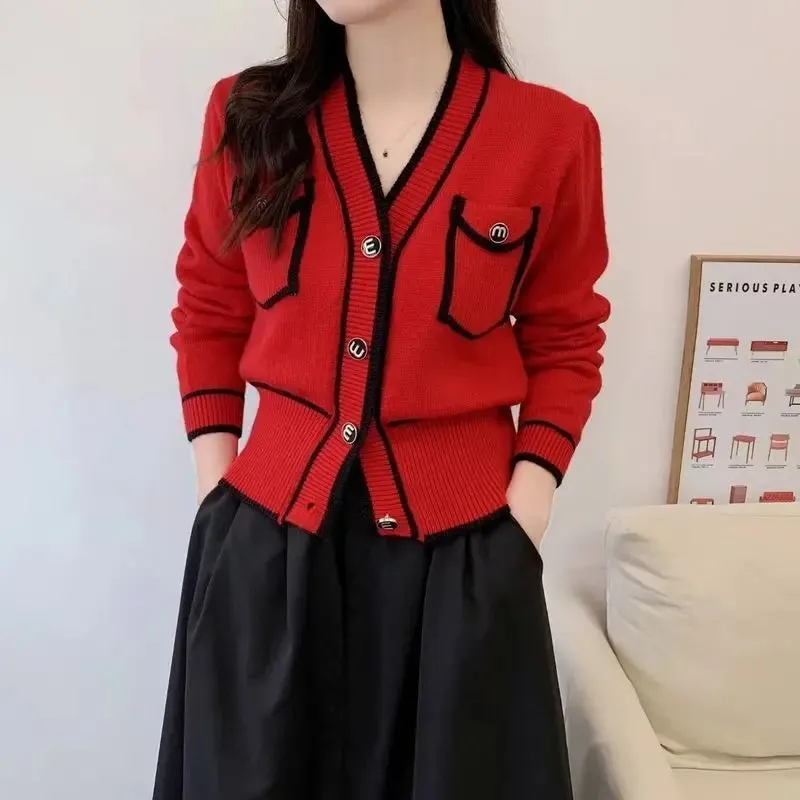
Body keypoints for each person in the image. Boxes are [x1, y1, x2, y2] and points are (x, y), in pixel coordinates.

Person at [153, 0, 610, 798]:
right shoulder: (248, 113)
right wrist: (216, 483)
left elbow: (566, 334)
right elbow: (210, 305)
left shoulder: (548, 133)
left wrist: (526, 510)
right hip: (267, 548)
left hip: (462, 561)